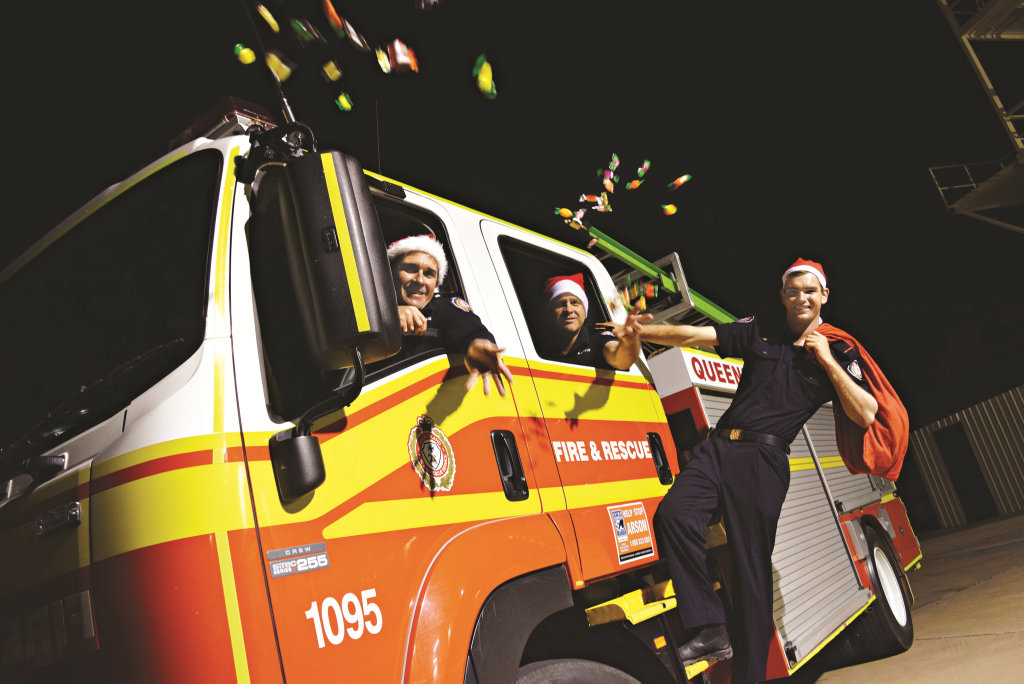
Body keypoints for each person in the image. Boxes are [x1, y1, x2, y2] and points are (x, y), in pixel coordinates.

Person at [638, 258, 878, 683]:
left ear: (824, 296)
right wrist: (641, 331)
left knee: (750, 569)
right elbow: (694, 334)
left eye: (810, 291)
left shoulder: (840, 350)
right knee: (674, 515)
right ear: (782, 296)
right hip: (717, 447)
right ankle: (709, 627)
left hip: (763, 460)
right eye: (793, 291)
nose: (801, 298)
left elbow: (866, 413)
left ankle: (749, 677)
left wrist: (826, 360)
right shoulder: (759, 331)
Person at [386, 234, 513, 395]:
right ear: (390, 273)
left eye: (429, 273)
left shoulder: (444, 308)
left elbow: (467, 326)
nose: (420, 280)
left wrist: (476, 345)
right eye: (411, 269)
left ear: (436, 282)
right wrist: (388, 315)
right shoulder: (369, 310)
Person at [539, 273, 649, 370]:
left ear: (584, 310)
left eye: (574, 302)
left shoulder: (598, 337)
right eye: (561, 304)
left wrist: (631, 342)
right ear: (550, 312)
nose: (569, 309)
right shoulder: (539, 347)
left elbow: (619, 359)